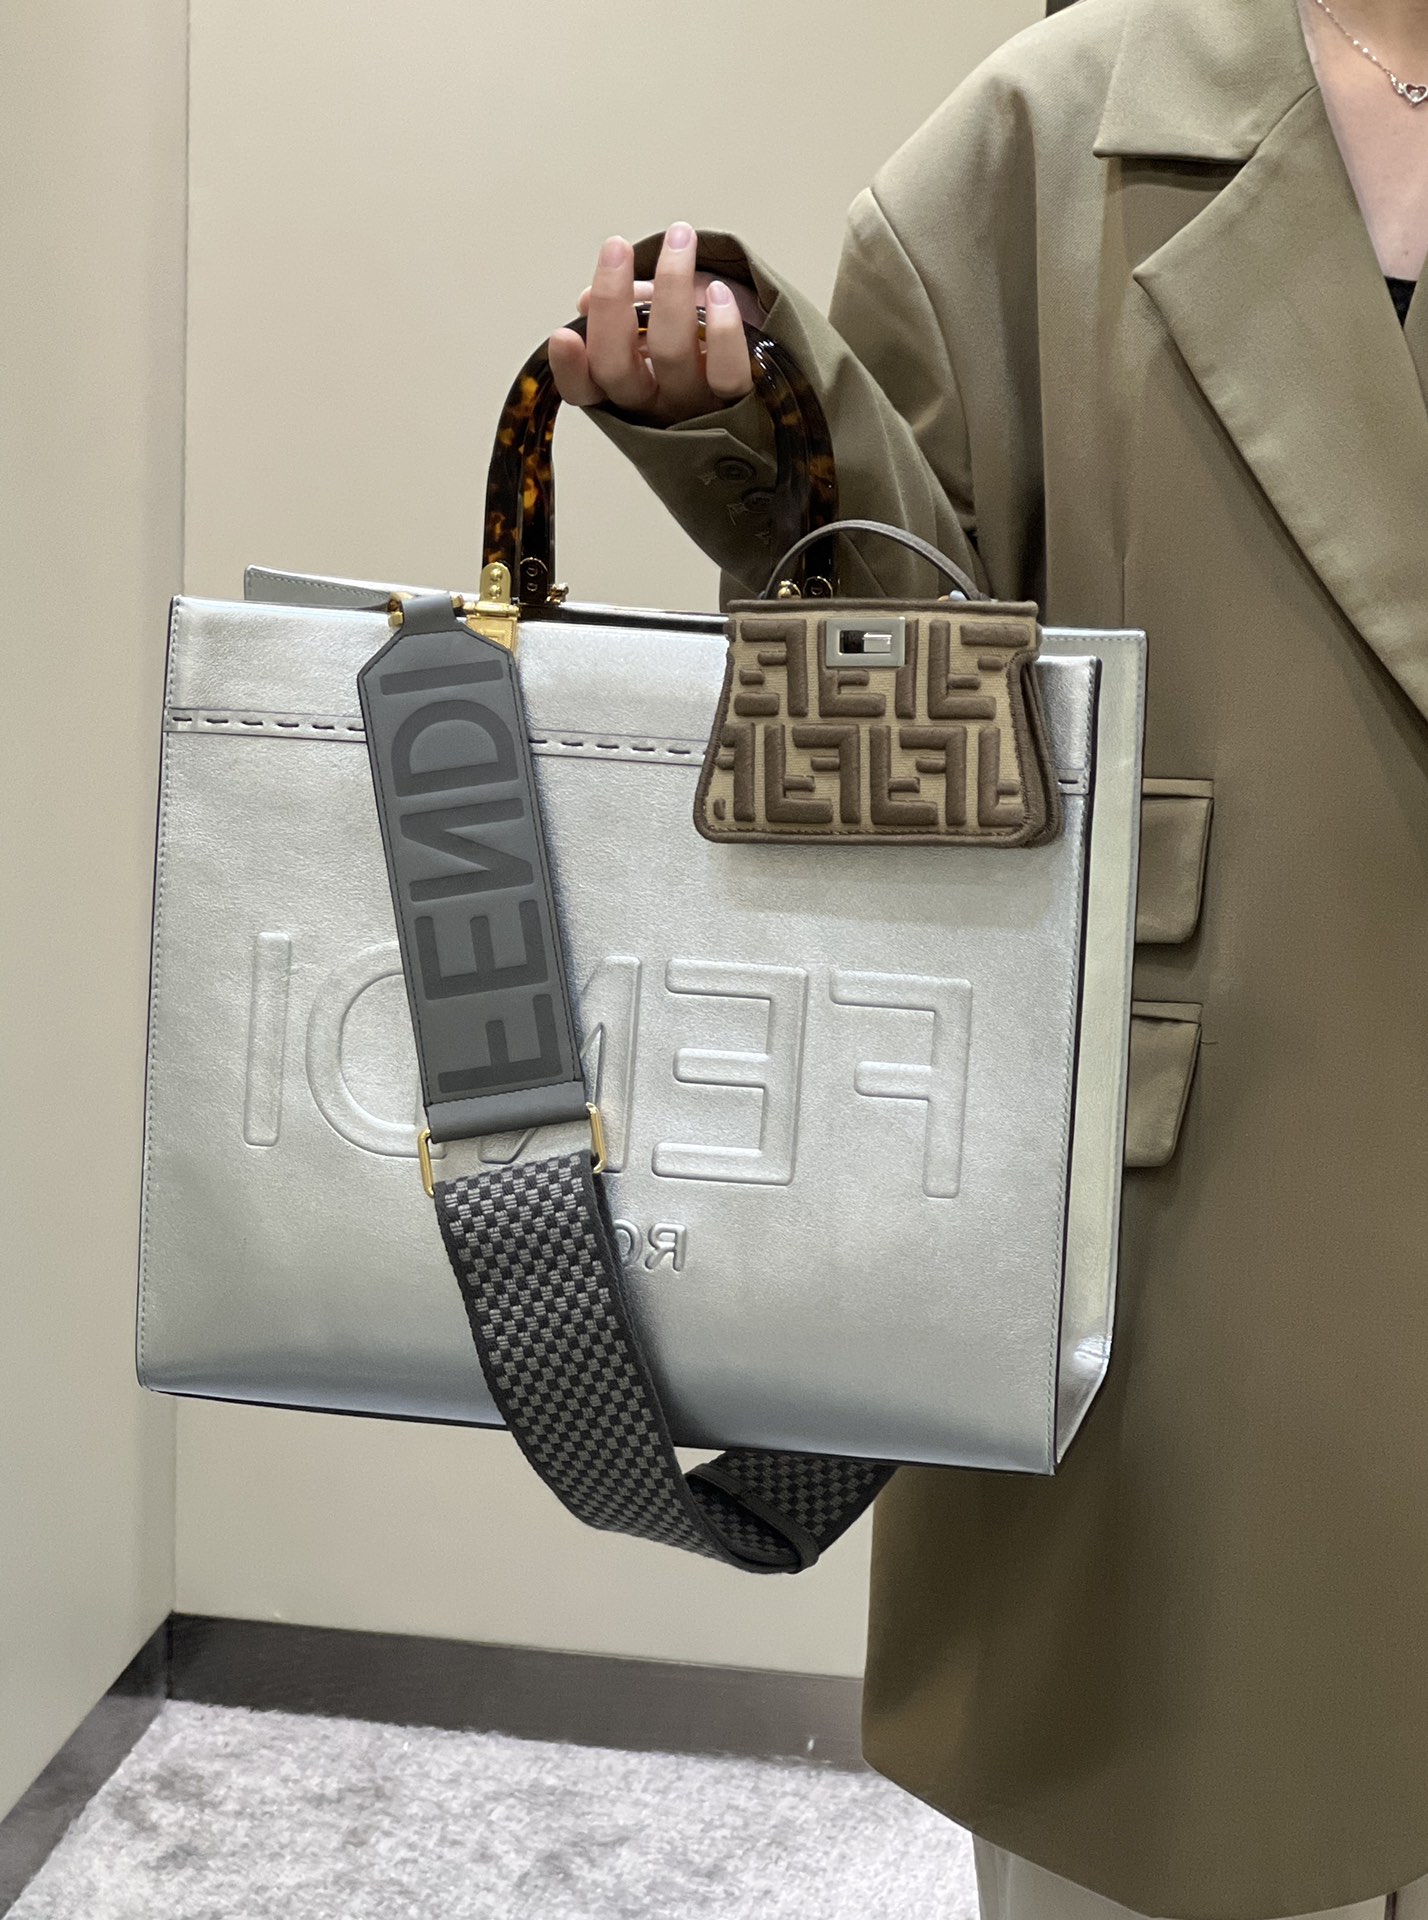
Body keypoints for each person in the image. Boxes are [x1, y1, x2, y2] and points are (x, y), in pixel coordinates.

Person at [546, 0, 1428, 1918]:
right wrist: (755, 457)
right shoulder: (1051, 138)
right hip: (1186, 1286)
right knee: (1186, 1825)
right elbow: (899, 722)